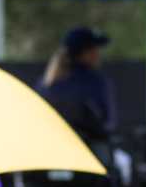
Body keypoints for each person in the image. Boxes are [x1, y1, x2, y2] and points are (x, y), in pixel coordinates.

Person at [40, 25, 119, 172]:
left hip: (48, 158)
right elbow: (109, 123)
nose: (98, 54)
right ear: (84, 53)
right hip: (92, 160)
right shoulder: (97, 82)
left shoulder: (46, 84)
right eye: (94, 49)